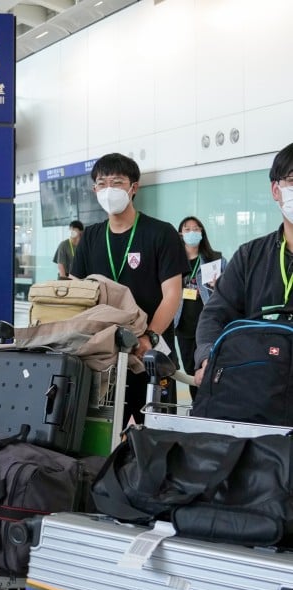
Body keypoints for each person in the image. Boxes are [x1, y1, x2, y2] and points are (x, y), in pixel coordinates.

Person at [70, 152, 186, 425]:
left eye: (117, 182)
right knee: (102, 432)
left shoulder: (161, 233)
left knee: (155, 432)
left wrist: (149, 337)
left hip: (149, 353)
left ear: (134, 187)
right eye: (102, 183)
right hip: (103, 356)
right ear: (94, 190)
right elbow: (76, 293)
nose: (108, 190)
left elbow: (172, 294)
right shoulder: (91, 236)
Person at [195, 142, 293, 386]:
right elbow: (215, 314)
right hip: (257, 387)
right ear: (276, 190)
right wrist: (209, 357)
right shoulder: (250, 257)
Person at [172, 216, 225, 399]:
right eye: (187, 229)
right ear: (180, 234)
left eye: (196, 229)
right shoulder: (174, 261)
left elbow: (231, 291)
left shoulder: (215, 260)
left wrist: (219, 285)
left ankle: (211, 406)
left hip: (209, 326)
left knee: (211, 367)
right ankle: (197, 406)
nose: (192, 232)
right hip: (184, 326)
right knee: (191, 371)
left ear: (202, 233)